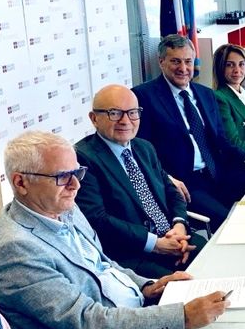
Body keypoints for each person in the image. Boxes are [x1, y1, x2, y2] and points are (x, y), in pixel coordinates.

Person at [0, 131, 230, 329]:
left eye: (77, 172)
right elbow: (88, 322)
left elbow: (102, 264)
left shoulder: (62, 206)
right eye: (62, 176)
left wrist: (147, 286)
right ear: (21, 182)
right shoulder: (16, 249)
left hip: (131, 318)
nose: (76, 185)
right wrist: (181, 317)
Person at [132, 35, 245, 221]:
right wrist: (167, 178)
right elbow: (141, 152)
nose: (183, 68)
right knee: (229, 221)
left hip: (218, 172)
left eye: (188, 61)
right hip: (186, 183)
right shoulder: (143, 97)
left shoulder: (206, 94)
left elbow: (222, 141)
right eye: (175, 61)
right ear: (161, 62)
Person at [75, 84, 202, 278]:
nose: (125, 121)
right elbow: (97, 219)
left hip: (173, 237)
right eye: (114, 113)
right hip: (132, 253)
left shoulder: (144, 147)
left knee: (218, 259)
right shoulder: (83, 158)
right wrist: (155, 244)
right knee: (182, 285)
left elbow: (171, 191)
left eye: (132, 113)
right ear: (94, 119)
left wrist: (179, 226)